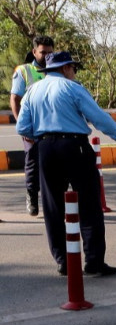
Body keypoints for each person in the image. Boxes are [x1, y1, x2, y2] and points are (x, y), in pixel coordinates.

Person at [17, 51, 116, 276]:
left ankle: (63, 261)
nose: (74, 72)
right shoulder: (73, 88)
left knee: (53, 207)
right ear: (65, 68)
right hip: (74, 147)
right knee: (89, 205)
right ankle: (93, 261)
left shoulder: (32, 91)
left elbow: (22, 127)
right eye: (73, 68)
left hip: (46, 148)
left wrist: (42, 137)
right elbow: (98, 118)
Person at [11, 34, 55, 217]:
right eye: (42, 52)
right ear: (34, 52)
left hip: (53, 126)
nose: (46, 56)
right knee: (33, 164)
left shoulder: (56, 70)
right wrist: (22, 126)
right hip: (32, 127)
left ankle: (53, 202)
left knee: (54, 165)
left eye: (49, 53)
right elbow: (15, 99)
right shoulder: (24, 71)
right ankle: (32, 196)